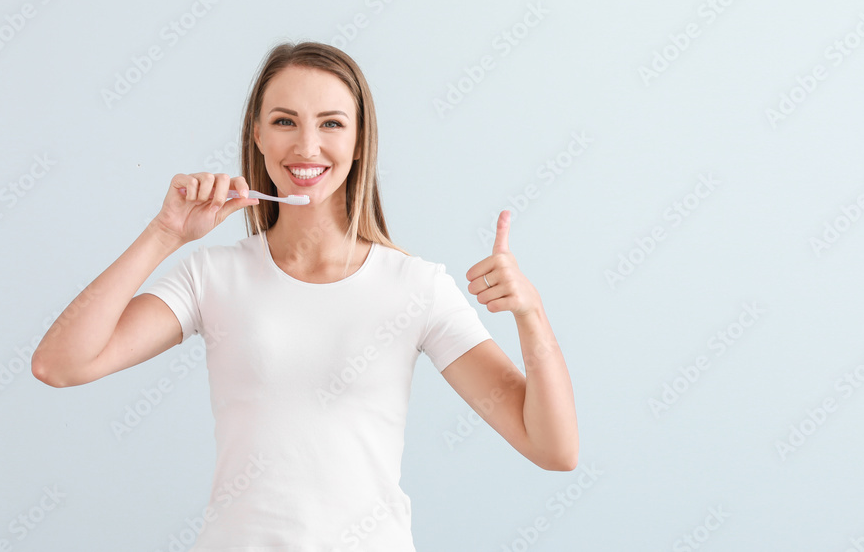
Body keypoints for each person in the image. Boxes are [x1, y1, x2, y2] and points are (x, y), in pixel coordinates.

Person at [31, 41, 578, 550]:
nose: (307, 145)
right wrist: (164, 234)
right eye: (284, 121)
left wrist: (531, 316)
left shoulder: (416, 287)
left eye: (332, 123)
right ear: (258, 136)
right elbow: (59, 364)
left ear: (360, 140)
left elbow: (553, 448)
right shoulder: (212, 277)